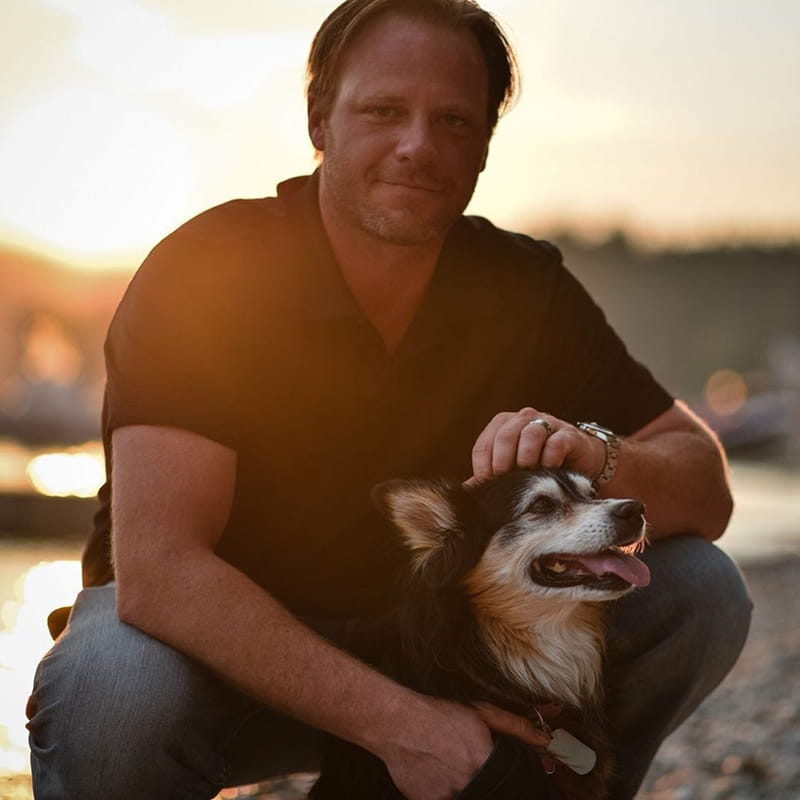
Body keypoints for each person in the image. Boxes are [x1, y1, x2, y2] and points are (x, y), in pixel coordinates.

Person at [27, 1, 752, 798]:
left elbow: (705, 487)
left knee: (702, 591)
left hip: (450, 657)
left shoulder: (527, 288)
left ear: (484, 145)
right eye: (383, 111)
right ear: (320, 120)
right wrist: (404, 726)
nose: (418, 146)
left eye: (453, 120)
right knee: (114, 688)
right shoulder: (207, 272)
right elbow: (161, 570)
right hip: (218, 670)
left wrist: (593, 452)